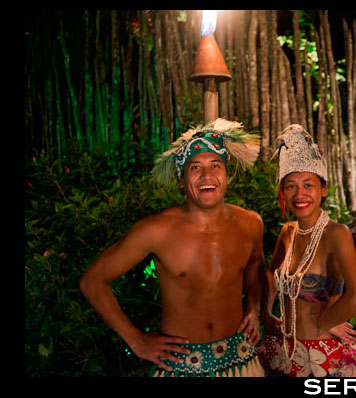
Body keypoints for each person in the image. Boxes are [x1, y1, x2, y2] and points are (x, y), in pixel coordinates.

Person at [80, 118, 266, 377]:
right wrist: (137, 340)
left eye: (215, 165)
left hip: (241, 360)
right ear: (182, 179)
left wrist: (253, 308)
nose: (207, 176)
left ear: (227, 175)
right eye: (195, 167)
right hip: (180, 366)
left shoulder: (250, 224)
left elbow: (255, 264)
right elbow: (93, 281)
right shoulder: (156, 230)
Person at [259, 125, 356, 377]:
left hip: (322, 355)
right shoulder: (288, 232)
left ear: (323, 189)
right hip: (282, 350)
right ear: (283, 192)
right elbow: (270, 274)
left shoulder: (336, 233)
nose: (299, 194)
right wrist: (267, 312)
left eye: (308, 185)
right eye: (290, 186)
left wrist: (325, 321)